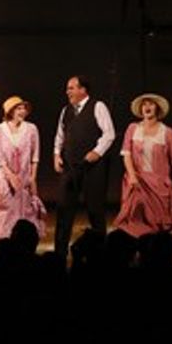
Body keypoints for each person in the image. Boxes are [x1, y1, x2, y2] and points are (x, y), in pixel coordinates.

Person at [53, 75, 116, 260]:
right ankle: (59, 255)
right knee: (63, 210)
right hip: (70, 166)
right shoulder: (66, 110)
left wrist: (97, 152)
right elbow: (60, 135)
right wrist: (56, 154)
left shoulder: (98, 106)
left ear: (83, 90)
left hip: (92, 168)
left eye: (71, 88)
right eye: (67, 88)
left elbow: (109, 133)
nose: (68, 92)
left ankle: (101, 255)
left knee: (95, 210)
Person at [115, 93, 172, 237]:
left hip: (159, 183)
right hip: (137, 181)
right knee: (134, 221)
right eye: (144, 104)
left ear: (157, 108)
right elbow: (126, 154)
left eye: (151, 104)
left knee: (158, 225)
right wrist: (132, 176)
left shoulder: (167, 132)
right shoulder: (133, 128)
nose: (147, 107)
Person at [0, 96, 45, 240]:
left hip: (25, 178)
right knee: (5, 211)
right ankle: (4, 243)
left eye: (24, 108)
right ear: (10, 111)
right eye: (18, 108)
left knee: (25, 212)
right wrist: (11, 177)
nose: (22, 111)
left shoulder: (31, 129)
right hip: (5, 178)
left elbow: (35, 156)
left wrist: (33, 178)